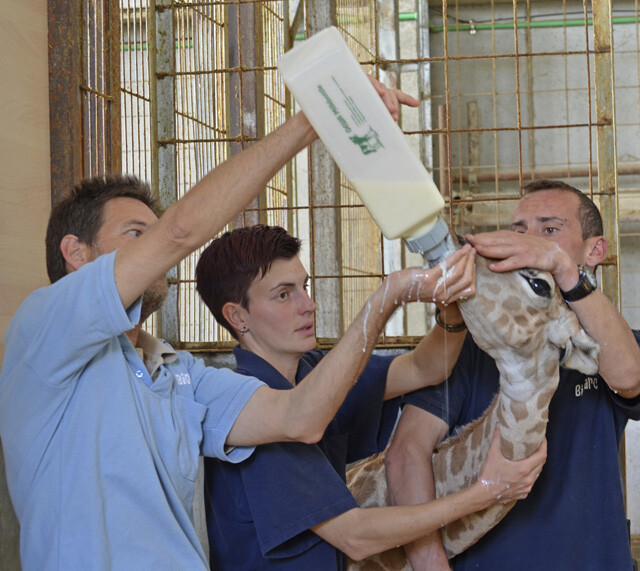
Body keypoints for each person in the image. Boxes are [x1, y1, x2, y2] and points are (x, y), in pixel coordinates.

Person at [0, 80, 433, 570]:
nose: (155, 253)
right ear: (77, 254)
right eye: (136, 236)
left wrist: (388, 297)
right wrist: (314, 120)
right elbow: (181, 231)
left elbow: (300, 419)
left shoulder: (176, 372)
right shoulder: (44, 326)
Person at [194, 224, 546, 569]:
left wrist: (450, 315)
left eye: (304, 287)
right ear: (237, 317)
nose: (310, 305)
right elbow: (356, 538)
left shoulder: (314, 372)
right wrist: (485, 493)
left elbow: (422, 369)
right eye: (284, 295)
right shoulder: (255, 411)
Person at [386, 179, 640, 570]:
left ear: (595, 251)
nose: (530, 243)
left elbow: (628, 377)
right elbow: (407, 451)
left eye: (549, 230)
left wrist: (559, 265)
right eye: (518, 231)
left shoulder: (616, 342)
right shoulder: (470, 344)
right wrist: (429, 561)